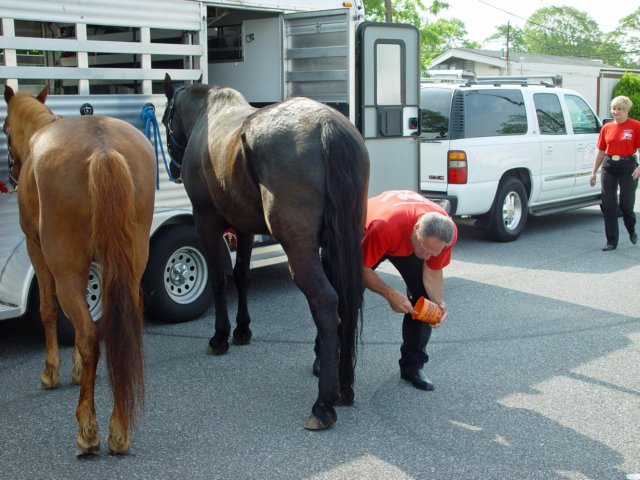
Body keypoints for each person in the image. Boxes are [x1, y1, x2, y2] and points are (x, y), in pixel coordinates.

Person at [361, 190, 457, 391]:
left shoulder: (445, 234)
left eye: (434, 252)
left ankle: (413, 366)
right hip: (376, 231)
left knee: (424, 301)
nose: (427, 256)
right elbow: (360, 268)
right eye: (424, 249)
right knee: (346, 293)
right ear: (416, 229)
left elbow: (432, 270)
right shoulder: (385, 227)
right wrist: (389, 293)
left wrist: (439, 303)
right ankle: (328, 355)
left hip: (406, 238)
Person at [590, 95, 640, 251]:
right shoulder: (606, 128)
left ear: (626, 110)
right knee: (608, 204)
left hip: (628, 167)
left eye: (620, 109)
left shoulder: (635, 126)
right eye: (614, 109)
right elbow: (600, 151)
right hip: (609, 166)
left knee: (626, 205)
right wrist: (593, 172)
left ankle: (631, 228)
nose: (616, 112)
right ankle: (611, 241)